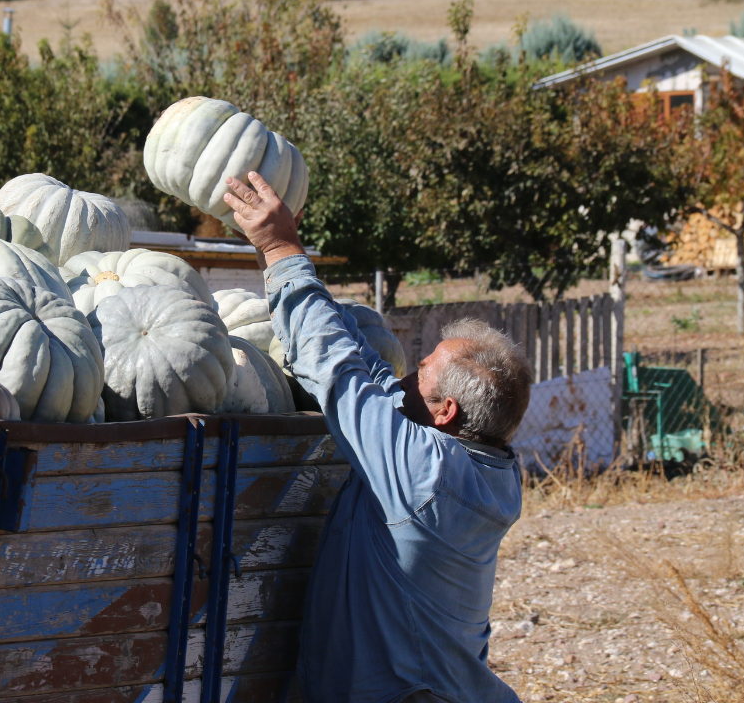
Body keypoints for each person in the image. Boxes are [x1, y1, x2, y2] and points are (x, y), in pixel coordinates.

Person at [222, 171, 534, 703]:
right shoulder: (492, 470)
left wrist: (280, 247)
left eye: (423, 373)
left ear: (446, 413)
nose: (406, 376)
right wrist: (289, 264)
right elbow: (376, 384)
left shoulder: (423, 475)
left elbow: (340, 374)